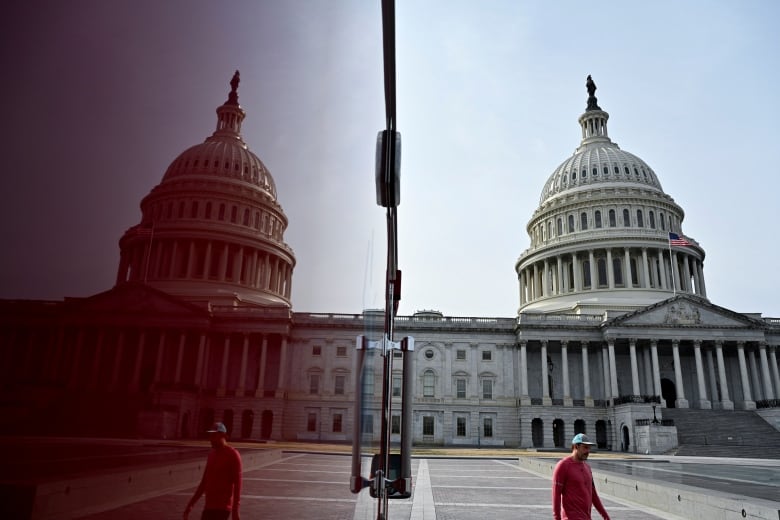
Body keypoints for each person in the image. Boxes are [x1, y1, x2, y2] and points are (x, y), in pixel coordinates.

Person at [184, 422, 243, 520]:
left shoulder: (233, 455)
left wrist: (235, 511)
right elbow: (204, 482)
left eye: (214, 435)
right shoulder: (212, 455)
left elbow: (238, 485)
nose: (210, 438)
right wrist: (191, 504)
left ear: (224, 436)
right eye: (210, 435)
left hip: (223, 508)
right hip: (209, 507)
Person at [552, 433, 610, 520]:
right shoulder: (563, 466)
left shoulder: (587, 467)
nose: (588, 451)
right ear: (576, 446)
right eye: (585, 447)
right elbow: (556, 495)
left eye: (589, 448)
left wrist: (605, 516)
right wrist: (557, 518)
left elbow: (593, 494)